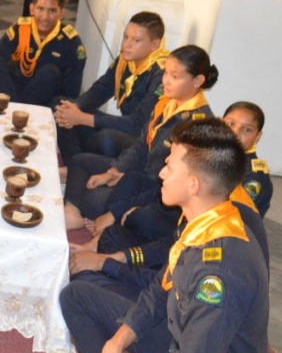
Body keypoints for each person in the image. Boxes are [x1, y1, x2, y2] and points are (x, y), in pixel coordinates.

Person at [60, 118, 270, 353]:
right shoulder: (203, 221)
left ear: (194, 184)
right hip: (180, 330)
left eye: (169, 166)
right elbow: (160, 290)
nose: (161, 173)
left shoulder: (218, 271)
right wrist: (116, 344)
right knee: (76, 296)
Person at [63, 45, 217, 236]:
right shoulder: (166, 103)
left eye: (175, 76)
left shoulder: (197, 125)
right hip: (137, 174)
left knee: (92, 199)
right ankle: (72, 213)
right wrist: (114, 171)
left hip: (157, 190)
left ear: (198, 80)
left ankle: (89, 213)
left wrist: (123, 185)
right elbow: (142, 144)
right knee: (80, 161)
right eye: (166, 73)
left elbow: (169, 183)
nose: (166, 81)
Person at [55, 12, 168, 164]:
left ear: (155, 45)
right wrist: (76, 107)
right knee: (61, 105)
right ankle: (73, 164)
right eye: (126, 37)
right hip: (124, 126)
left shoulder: (161, 74)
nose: (126, 44)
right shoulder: (127, 59)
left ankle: (81, 163)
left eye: (136, 40)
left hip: (142, 139)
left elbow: (138, 124)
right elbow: (101, 89)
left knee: (106, 139)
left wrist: (82, 118)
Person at [0, 0, 85, 104]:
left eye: (52, 11)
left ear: (61, 13)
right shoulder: (20, 28)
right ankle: (15, 110)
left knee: (50, 73)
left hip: (44, 98)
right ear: (32, 9)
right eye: (40, 9)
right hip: (13, 90)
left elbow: (71, 93)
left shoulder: (72, 42)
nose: (45, 17)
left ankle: (16, 110)